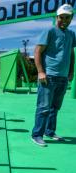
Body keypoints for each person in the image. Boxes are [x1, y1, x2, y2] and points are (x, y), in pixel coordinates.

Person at [31, 4, 76, 147]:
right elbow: (37, 51)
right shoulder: (49, 31)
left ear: (71, 18)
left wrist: (71, 71)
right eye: (61, 17)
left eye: (67, 17)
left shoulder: (71, 34)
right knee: (43, 107)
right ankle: (37, 134)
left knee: (54, 108)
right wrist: (40, 72)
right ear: (56, 17)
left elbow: (71, 53)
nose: (64, 20)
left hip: (62, 78)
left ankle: (50, 131)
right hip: (48, 76)